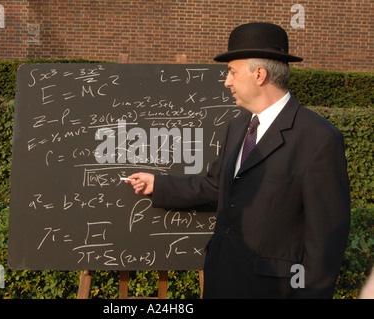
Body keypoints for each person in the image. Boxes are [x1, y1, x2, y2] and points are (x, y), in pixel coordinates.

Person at [126, 22, 351, 299]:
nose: (226, 81)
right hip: (222, 280)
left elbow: (325, 242)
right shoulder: (238, 126)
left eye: (232, 72)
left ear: (259, 74)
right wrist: (158, 185)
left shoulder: (319, 139)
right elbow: (218, 185)